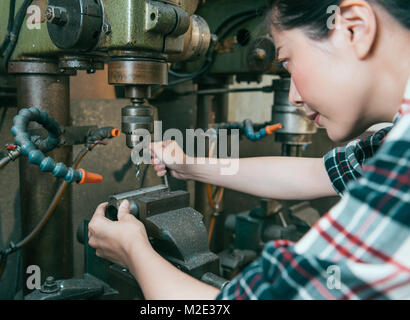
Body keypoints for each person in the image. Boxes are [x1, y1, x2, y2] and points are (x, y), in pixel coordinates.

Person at [88, 0, 410, 299]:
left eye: (287, 61)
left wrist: (133, 252)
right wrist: (188, 165)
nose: (294, 97)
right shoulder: (394, 143)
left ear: (354, 27)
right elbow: (317, 173)